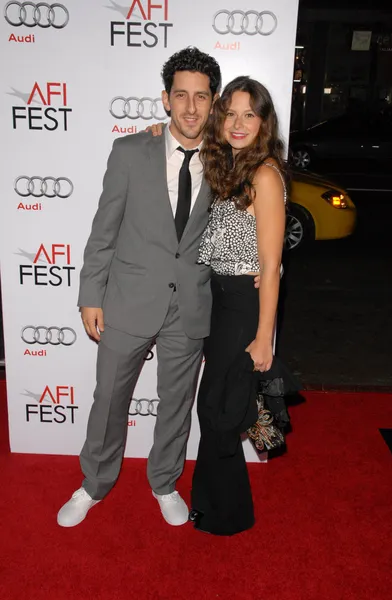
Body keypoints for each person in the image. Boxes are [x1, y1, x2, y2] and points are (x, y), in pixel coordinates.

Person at [56, 47, 222, 528]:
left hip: (189, 303)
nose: (191, 108)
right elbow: (103, 229)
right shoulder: (130, 151)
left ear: (213, 103)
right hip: (128, 299)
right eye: (182, 96)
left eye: (202, 97)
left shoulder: (226, 159)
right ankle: (93, 483)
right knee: (108, 397)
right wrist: (90, 293)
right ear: (166, 100)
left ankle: (165, 481)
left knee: (176, 402)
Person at [189, 76, 290, 535]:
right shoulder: (229, 167)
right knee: (215, 408)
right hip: (218, 300)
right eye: (230, 112)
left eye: (249, 114)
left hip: (242, 308)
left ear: (264, 121)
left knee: (219, 409)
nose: (238, 122)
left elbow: (270, 267)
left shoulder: (265, 175)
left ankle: (226, 513)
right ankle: (216, 506)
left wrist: (263, 337)